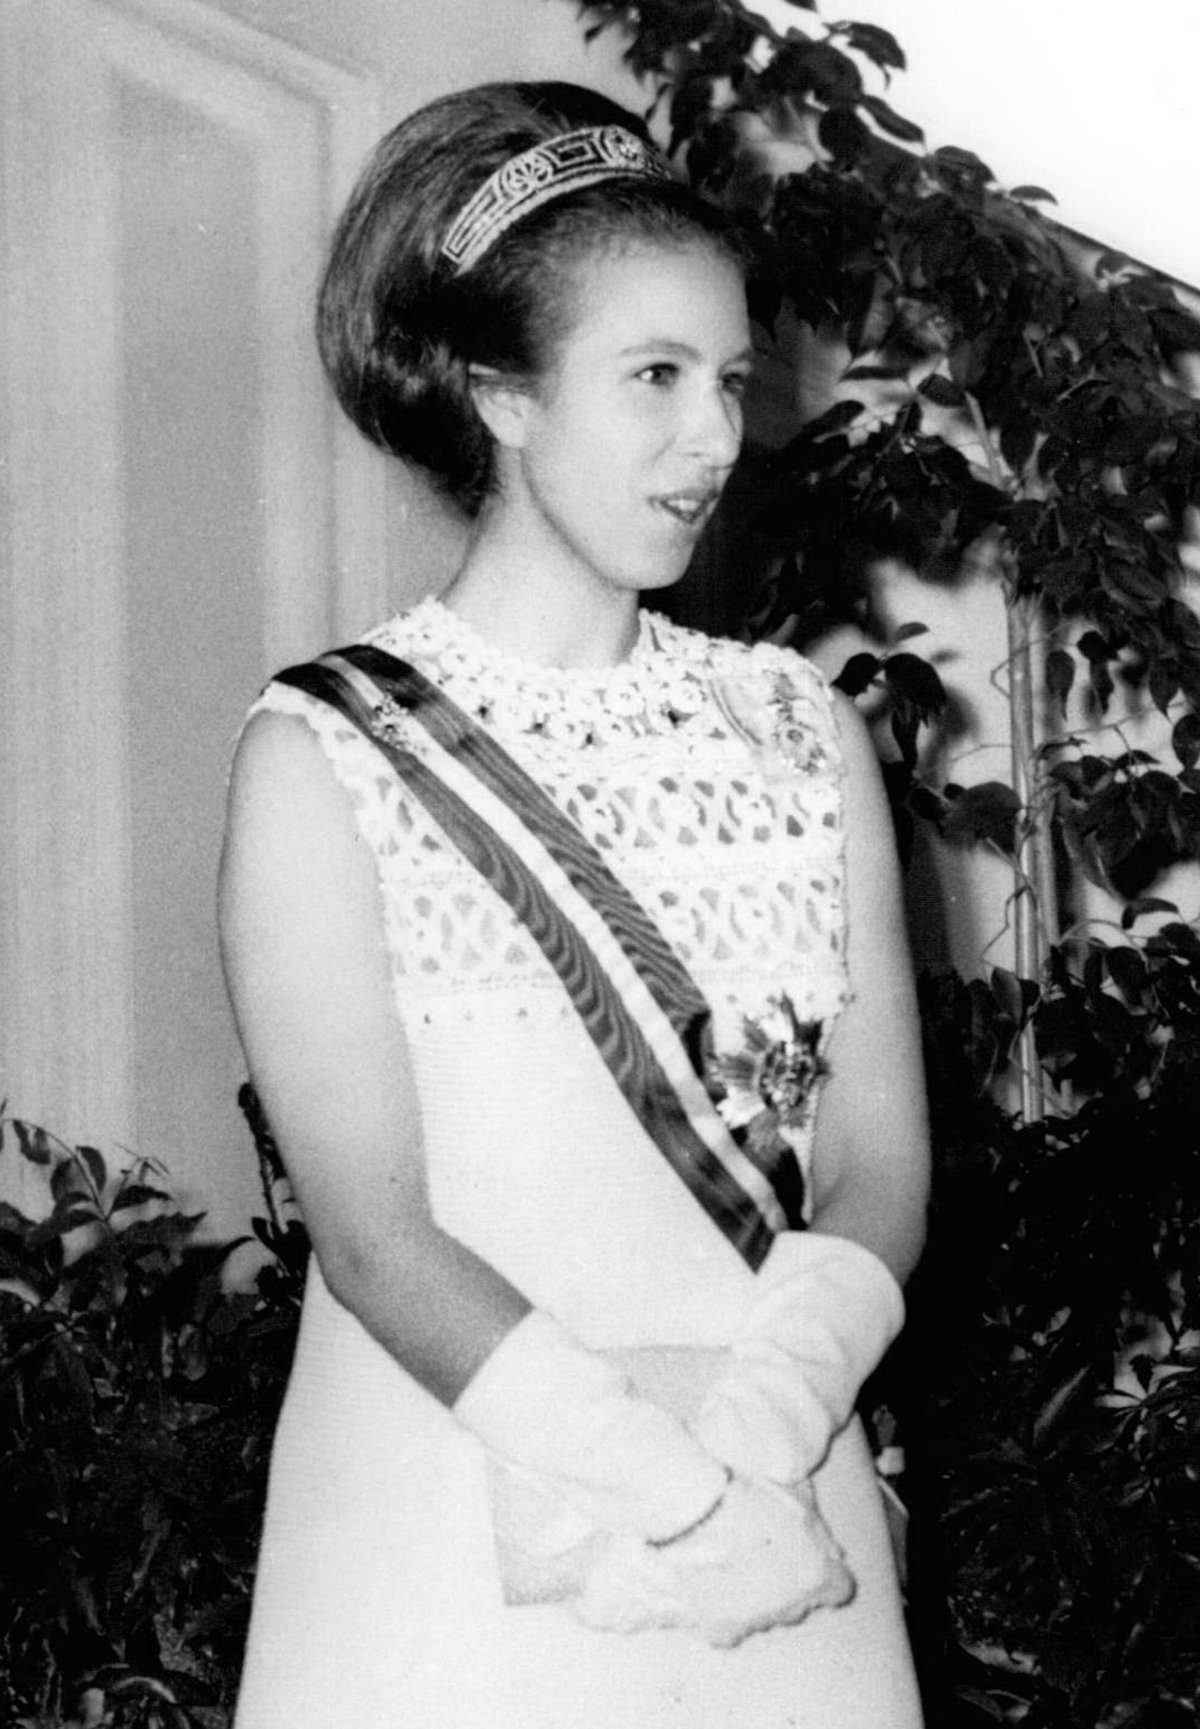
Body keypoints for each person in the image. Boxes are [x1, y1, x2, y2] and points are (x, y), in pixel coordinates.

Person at [218, 78, 930, 1728]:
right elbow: (378, 1233)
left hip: (782, 1521)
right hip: (456, 1517)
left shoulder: (803, 732)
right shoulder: (325, 754)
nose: (715, 436)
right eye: (655, 378)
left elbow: (881, 1164)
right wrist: (668, 1494)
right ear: (501, 394)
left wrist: (765, 1433)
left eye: (731, 380)